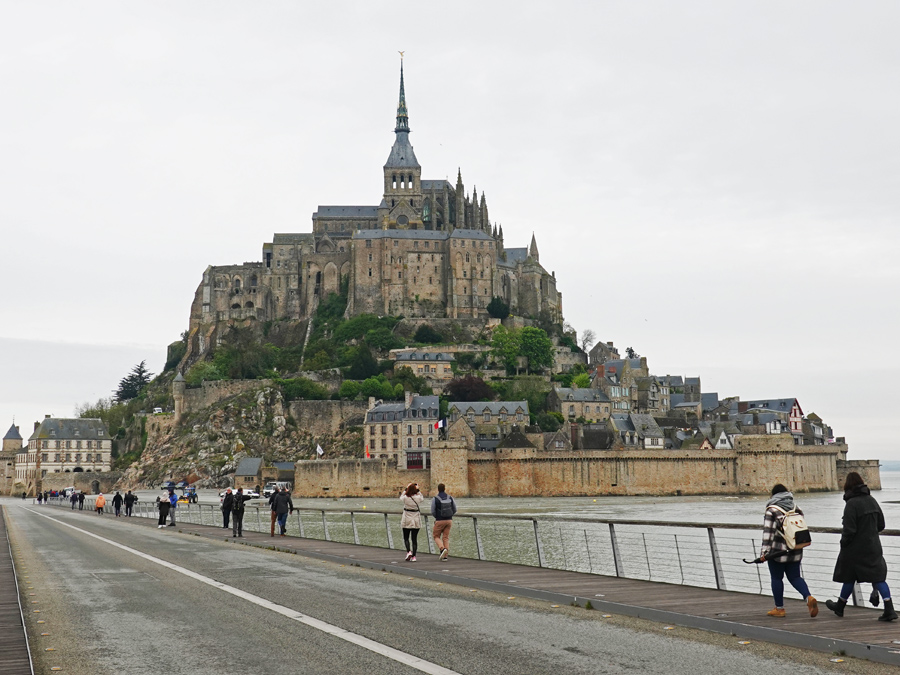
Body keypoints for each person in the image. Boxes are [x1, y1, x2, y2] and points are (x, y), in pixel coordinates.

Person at [826, 472, 898, 621]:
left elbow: (849, 530)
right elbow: (881, 524)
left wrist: (843, 543)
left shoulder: (851, 504)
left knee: (848, 575)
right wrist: (870, 534)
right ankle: (889, 609)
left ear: (848, 486)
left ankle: (840, 606)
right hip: (873, 546)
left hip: (855, 549)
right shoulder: (872, 500)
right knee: (878, 577)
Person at [760, 483, 817, 618]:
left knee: (776, 578)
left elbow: (768, 533)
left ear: (773, 495)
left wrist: (764, 553)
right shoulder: (796, 508)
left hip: (777, 552)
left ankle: (779, 608)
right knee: (795, 577)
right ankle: (808, 597)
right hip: (796, 549)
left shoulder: (772, 510)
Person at [431, 483, 456, 561]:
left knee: (436, 536)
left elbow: (432, 511)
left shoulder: (435, 499)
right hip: (449, 520)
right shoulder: (450, 498)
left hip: (439, 520)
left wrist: (437, 517)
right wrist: (450, 516)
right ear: (445, 489)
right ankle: (445, 556)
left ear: (438, 489)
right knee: (445, 537)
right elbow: (455, 509)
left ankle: (442, 549)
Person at [400, 482, 424, 561]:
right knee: (414, 539)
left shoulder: (405, 498)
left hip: (407, 518)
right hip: (416, 519)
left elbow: (401, 497)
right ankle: (414, 556)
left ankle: (408, 551)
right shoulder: (418, 498)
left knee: (406, 538)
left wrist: (406, 488)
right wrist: (417, 490)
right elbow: (422, 498)